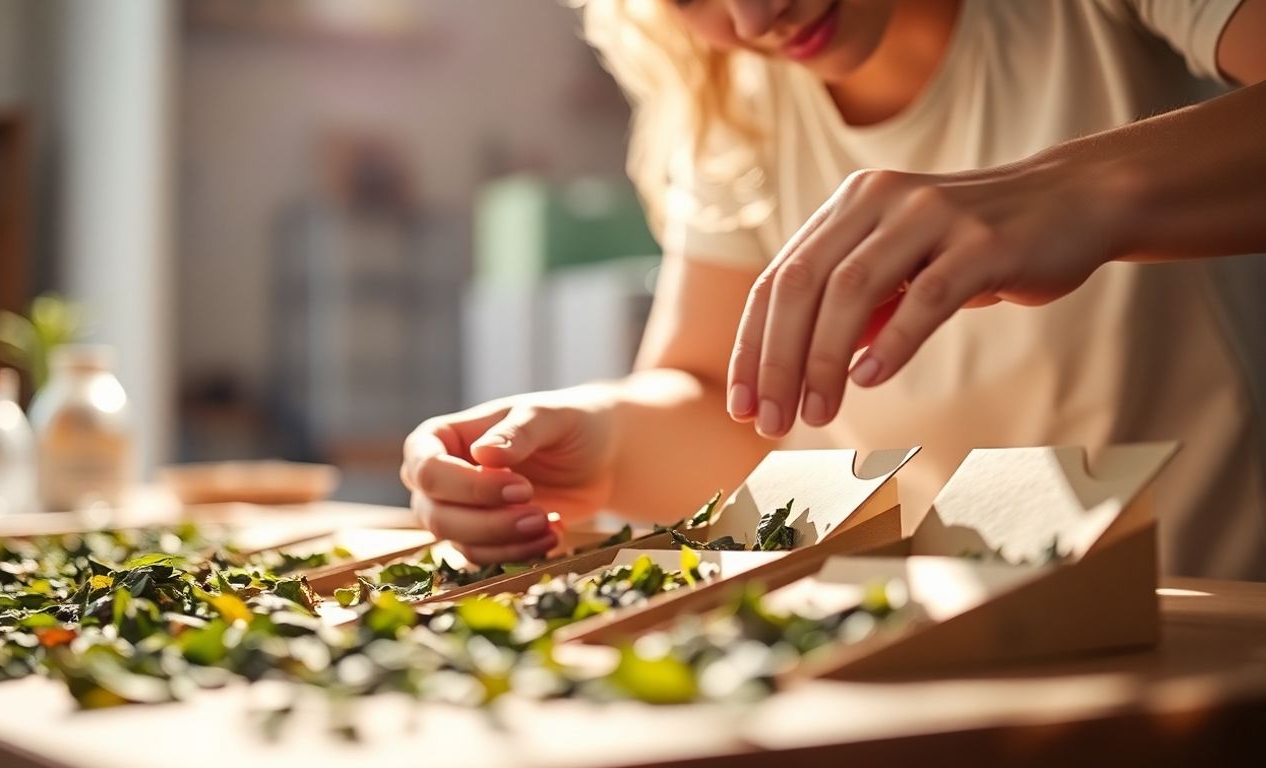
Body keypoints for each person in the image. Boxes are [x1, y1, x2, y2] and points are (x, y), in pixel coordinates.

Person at [400, 0, 1266, 579]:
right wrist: (597, 442)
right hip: (945, 645)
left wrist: (1077, 194)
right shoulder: (735, 99)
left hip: (1210, 621)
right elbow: (732, 415)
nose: (755, 15)